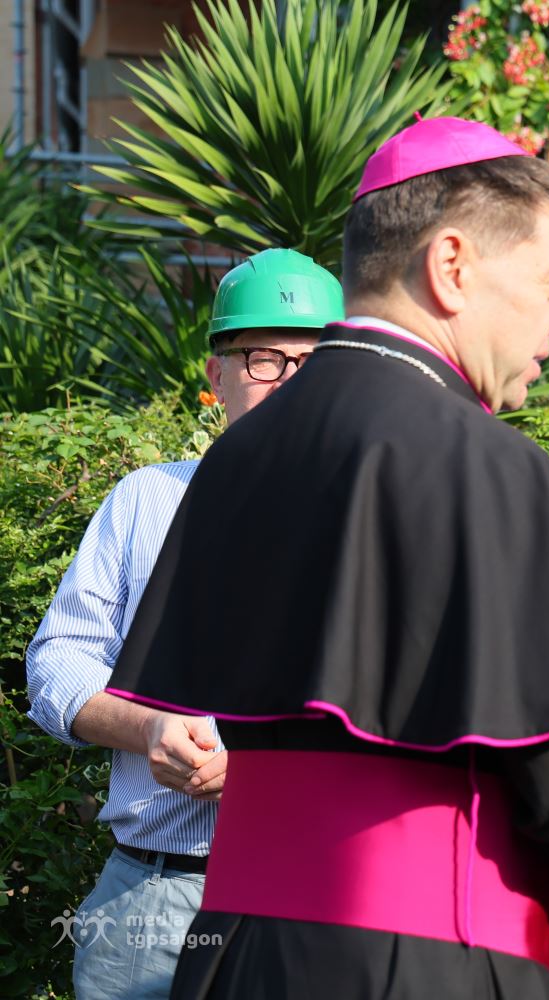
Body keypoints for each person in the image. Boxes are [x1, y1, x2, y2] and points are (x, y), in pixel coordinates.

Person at [101, 117, 549, 999]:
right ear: (452, 267)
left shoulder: (235, 460)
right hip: (425, 967)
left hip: (230, 960)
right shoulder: (489, 466)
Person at [25, 249, 342, 1000]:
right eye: (263, 359)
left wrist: (270, 764)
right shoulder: (146, 501)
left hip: (318, 895)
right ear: (217, 376)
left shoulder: (374, 517)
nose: (288, 380)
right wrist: (148, 728)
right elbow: (58, 658)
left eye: (312, 362)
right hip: (151, 896)